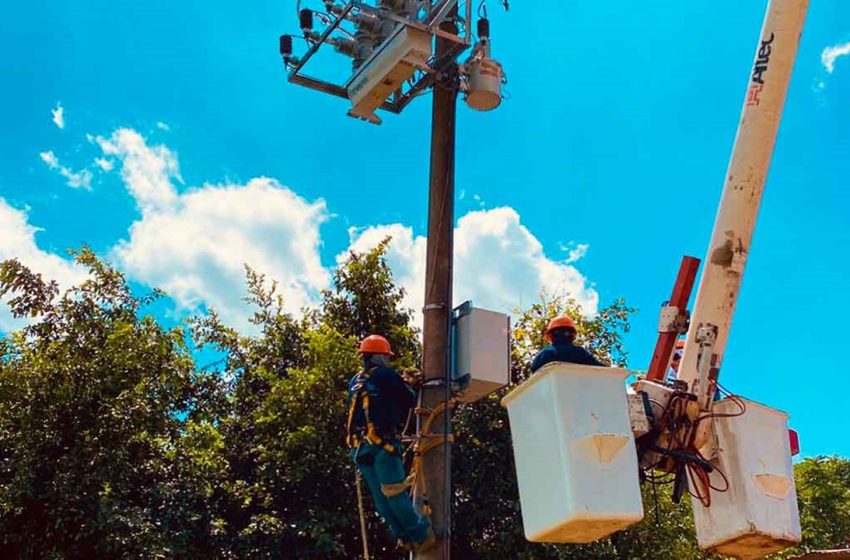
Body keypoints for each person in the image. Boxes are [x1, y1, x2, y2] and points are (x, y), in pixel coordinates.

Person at [346, 334, 435, 553]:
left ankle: (402, 536)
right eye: (386, 356)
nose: (388, 361)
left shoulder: (356, 380)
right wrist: (410, 384)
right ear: (378, 356)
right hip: (381, 446)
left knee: (381, 497)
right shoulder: (387, 375)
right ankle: (421, 534)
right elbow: (410, 399)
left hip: (359, 448)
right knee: (394, 492)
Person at [531, 315, 603, 373]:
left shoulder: (540, 357)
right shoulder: (579, 353)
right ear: (572, 335)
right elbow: (601, 370)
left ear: (550, 335)